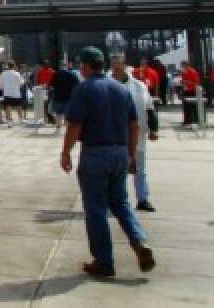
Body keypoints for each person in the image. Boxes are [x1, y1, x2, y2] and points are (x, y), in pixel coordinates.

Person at [60, 47, 155, 278]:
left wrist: (66, 152)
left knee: (95, 209)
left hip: (95, 153)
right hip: (120, 152)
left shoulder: (84, 89)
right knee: (121, 201)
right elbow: (134, 125)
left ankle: (104, 261)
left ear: (85, 65)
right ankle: (139, 241)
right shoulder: (122, 89)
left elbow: (75, 125)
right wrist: (131, 154)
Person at [109, 55, 158, 212]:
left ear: (125, 65)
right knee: (117, 171)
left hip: (139, 134)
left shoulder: (139, 86)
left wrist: (154, 129)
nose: (116, 67)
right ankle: (117, 201)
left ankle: (142, 199)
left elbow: (150, 108)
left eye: (119, 63)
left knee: (140, 169)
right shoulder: (105, 85)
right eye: (113, 64)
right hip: (114, 136)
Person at [50, 61, 80, 131]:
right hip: (69, 97)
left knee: (58, 113)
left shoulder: (56, 73)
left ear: (61, 66)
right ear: (67, 66)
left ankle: (58, 127)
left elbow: (51, 85)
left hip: (58, 96)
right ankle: (67, 129)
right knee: (67, 114)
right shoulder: (73, 74)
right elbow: (77, 85)